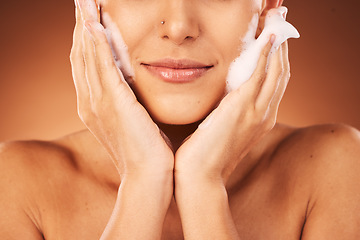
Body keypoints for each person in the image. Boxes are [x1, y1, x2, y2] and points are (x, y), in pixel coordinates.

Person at [1, 0, 359, 239]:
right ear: (92, 5)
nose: (178, 27)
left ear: (267, 6)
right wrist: (142, 179)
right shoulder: (15, 185)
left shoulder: (336, 169)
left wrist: (204, 186)